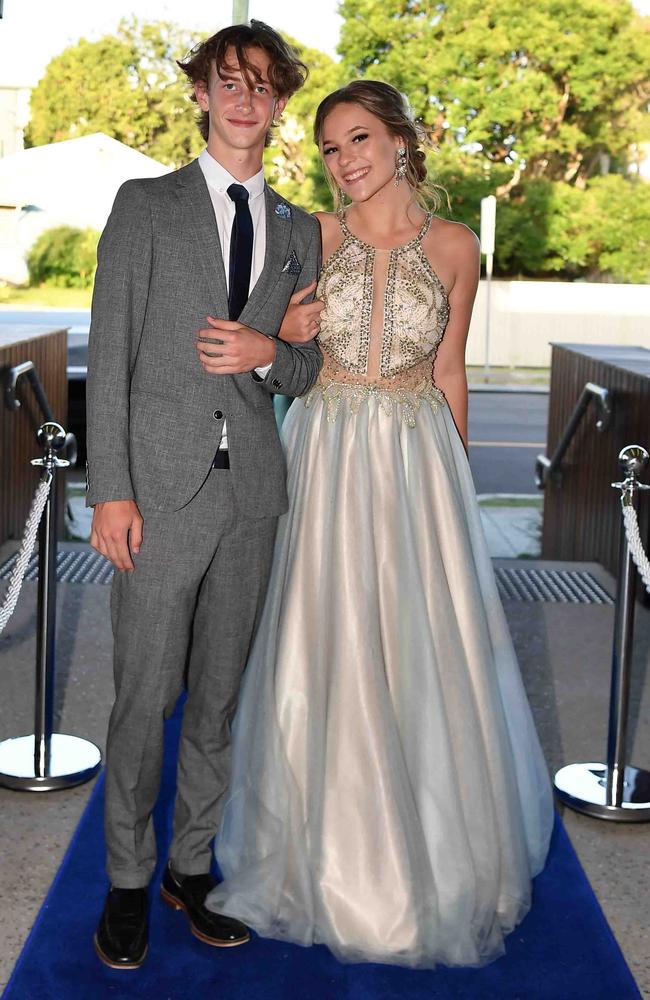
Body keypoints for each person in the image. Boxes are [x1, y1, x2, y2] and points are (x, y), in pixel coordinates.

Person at [203, 80, 554, 969]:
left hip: (415, 460)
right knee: (326, 644)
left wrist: (458, 487)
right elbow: (268, 349)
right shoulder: (313, 237)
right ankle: (321, 854)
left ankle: (434, 855)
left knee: (421, 647)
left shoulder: (456, 245)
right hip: (324, 448)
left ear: (402, 140)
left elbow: (448, 371)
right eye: (328, 147)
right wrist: (283, 324)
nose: (345, 159)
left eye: (359, 138)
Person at [85, 21, 322, 969]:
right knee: (145, 697)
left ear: (278, 104)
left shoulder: (302, 230)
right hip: (158, 492)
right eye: (229, 81)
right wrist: (112, 491)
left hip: (254, 496)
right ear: (201, 92)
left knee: (219, 699)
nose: (245, 100)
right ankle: (128, 882)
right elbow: (109, 354)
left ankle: (190, 869)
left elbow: (308, 370)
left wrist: (274, 353)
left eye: (264, 87)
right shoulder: (143, 204)